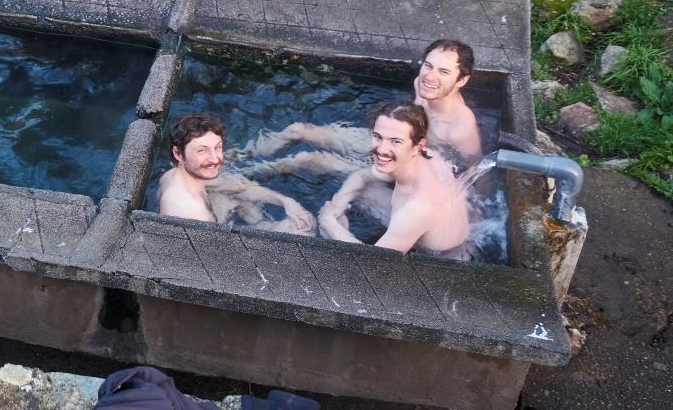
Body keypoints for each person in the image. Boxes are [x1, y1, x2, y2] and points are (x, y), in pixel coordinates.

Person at [242, 39, 482, 176]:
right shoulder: (422, 84)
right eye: (428, 66)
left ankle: (245, 175)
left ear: (462, 80)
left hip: (401, 166)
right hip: (387, 139)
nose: (430, 76)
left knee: (307, 158)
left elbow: (473, 174)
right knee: (298, 129)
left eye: (443, 72)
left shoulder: (460, 127)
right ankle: (239, 156)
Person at [318, 101, 469, 256]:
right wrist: (338, 205)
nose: (382, 149)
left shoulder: (417, 208)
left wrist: (329, 223)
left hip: (440, 261)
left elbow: (373, 263)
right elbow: (363, 175)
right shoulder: (429, 156)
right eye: (378, 137)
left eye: (395, 141)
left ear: (418, 145)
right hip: (442, 231)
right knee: (364, 191)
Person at [158, 112, 315, 235]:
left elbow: (233, 185)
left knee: (232, 187)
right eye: (202, 150)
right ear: (178, 154)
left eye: (217, 147)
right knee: (303, 229)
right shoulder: (189, 211)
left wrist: (286, 201)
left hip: (216, 219)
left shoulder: (180, 173)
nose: (215, 158)